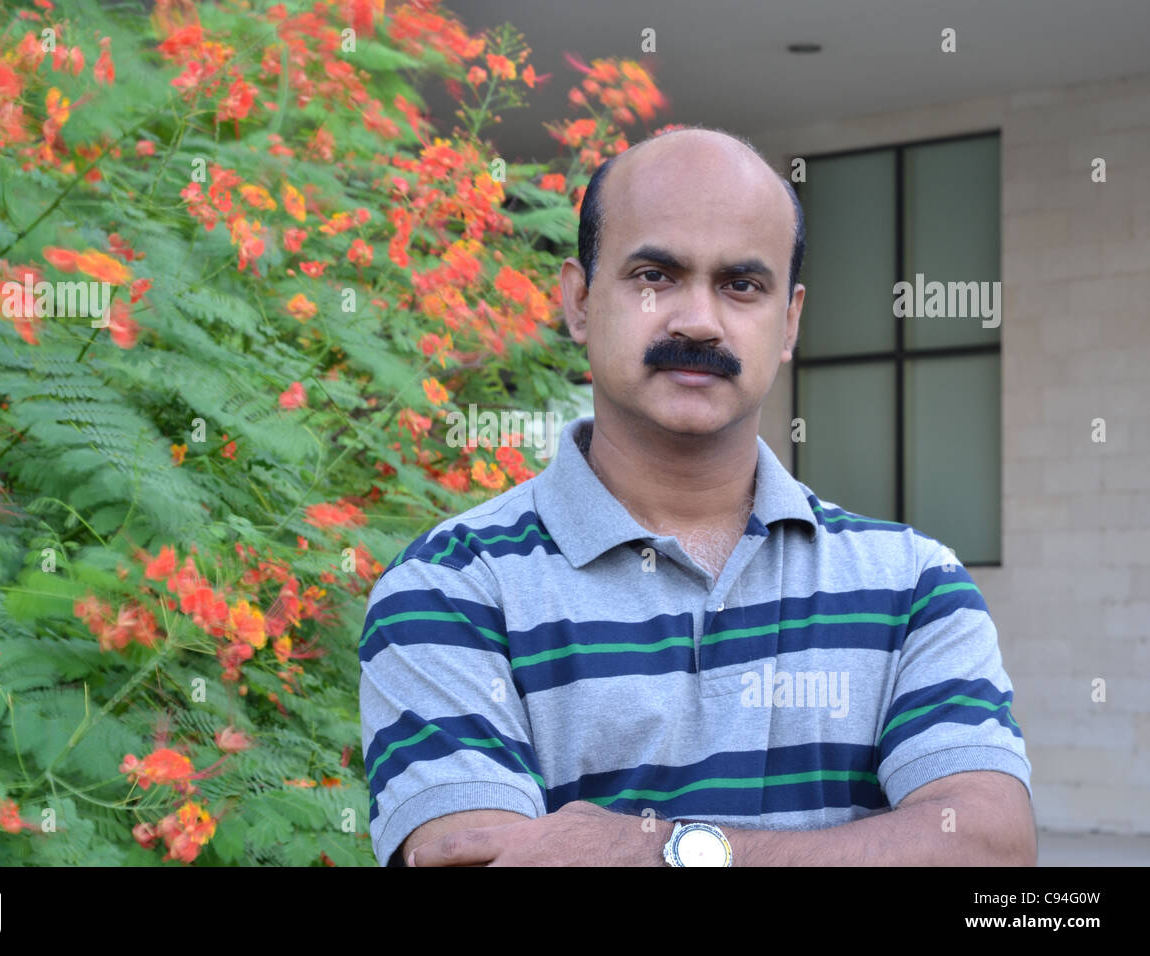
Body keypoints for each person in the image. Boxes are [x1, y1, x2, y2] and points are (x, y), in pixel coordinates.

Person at [359, 125, 1035, 867]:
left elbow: (987, 853)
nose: (698, 321)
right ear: (579, 302)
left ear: (790, 322)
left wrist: (658, 850)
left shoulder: (913, 588)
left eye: (741, 285)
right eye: (655, 274)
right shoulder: (448, 590)